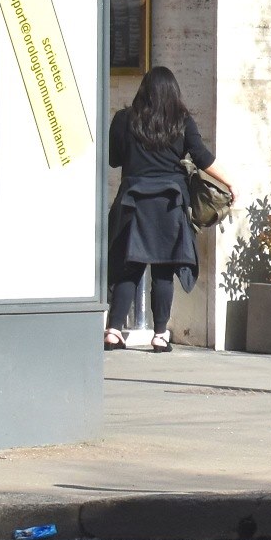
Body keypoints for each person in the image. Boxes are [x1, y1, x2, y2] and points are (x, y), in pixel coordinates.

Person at [106, 67, 220, 351]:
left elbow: (113, 159)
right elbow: (203, 158)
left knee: (128, 268)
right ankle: (159, 335)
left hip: (133, 204)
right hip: (169, 205)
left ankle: (113, 331)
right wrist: (231, 184)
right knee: (163, 271)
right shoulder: (181, 122)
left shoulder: (123, 120)